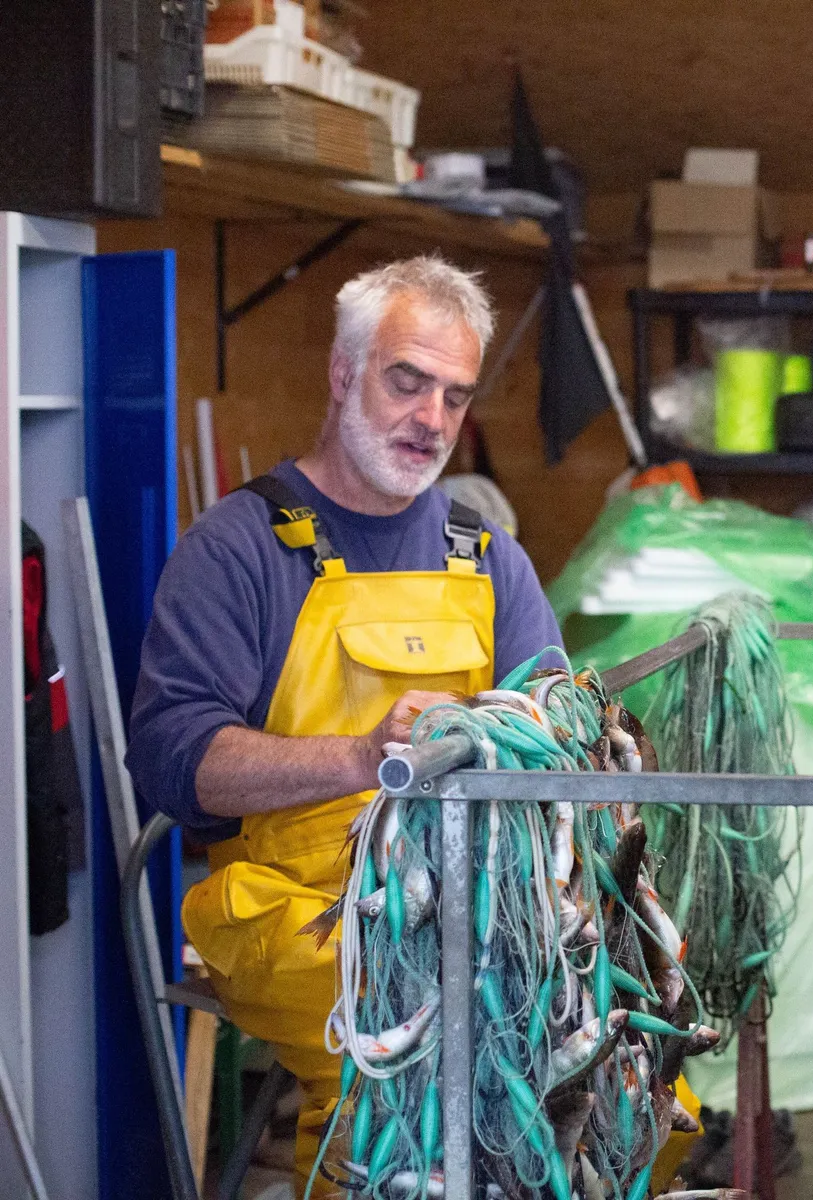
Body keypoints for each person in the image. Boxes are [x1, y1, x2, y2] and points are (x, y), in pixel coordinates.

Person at [128, 256, 562, 1190]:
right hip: (297, 911)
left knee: (601, 1066)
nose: (432, 420)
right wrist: (366, 757)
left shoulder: (489, 561)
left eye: (454, 395)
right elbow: (171, 759)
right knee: (398, 1073)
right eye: (406, 381)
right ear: (341, 371)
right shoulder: (240, 549)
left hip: (476, 900)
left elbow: (554, 729)